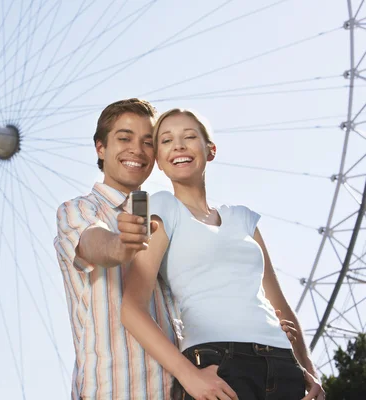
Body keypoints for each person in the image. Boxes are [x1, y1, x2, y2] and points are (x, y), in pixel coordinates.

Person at [54, 99, 298, 400]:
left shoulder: (171, 215)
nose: (137, 149)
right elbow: (94, 244)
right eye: (124, 138)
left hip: (186, 386)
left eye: (148, 142)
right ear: (100, 148)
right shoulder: (79, 210)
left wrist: (262, 334)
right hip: (114, 389)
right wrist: (120, 245)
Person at [120, 108, 325, 400]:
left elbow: (278, 302)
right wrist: (188, 375)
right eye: (166, 140)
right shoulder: (161, 206)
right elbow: (131, 308)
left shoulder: (243, 218)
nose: (178, 145)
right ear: (159, 164)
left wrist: (307, 368)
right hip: (217, 364)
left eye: (189, 136)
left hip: (282, 366)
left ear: (210, 150)